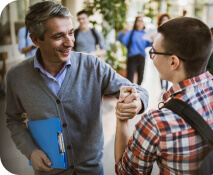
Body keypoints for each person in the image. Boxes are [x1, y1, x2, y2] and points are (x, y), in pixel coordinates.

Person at [5, 2, 149, 175]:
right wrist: (30, 151)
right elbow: (13, 120)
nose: (70, 42)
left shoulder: (92, 66)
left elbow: (139, 91)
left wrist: (137, 103)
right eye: (59, 36)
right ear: (36, 39)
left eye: (71, 33)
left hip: (92, 171)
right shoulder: (16, 76)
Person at [115, 17, 213, 174]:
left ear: (173, 62)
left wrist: (122, 118)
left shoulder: (156, 123)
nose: (151, 57)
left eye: (153, 52)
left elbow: (124, 172)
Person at [118, 14, 152, 85]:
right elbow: (122, 40)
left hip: (141, 57)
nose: (140, 23)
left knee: (141, 77)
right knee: (130, 77)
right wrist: (123, 31)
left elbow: (150, 44)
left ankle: (138, 92)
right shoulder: (131, 33)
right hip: (132, 56)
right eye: (139, 21)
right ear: (135, 23)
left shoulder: (145, 34)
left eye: (142, 21)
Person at [157, 13, 171, 92]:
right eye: (163, 20)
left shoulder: (171, 31)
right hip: (159, 55)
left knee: (167, 72)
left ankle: (166, 90)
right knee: (161, 73)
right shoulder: (157, 31)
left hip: (168, 55)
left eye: (167, 19)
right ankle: (162, 89)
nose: (165, 21)